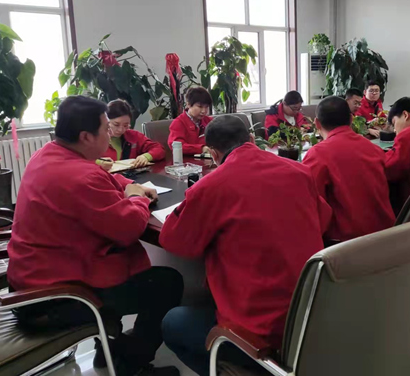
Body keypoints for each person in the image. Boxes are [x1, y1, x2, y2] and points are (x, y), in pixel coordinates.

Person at [7, 96, 183, 376]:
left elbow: (102, 176)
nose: (110, 134)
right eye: (106, 128)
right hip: (57, 297)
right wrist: (137, 199)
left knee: (130, 270)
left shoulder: (49, 154)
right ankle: (131, 364)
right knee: (166, 283)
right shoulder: (80, 177)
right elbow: (128, 229)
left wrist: (128, 186)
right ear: (86, 136)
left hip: (31, 281)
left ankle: (111, 349)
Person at [160, 115, 330, 376]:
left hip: (263, 332)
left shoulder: (212, 186)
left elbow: (174, 240)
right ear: (251, 139)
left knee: (173, 322)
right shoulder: (298, 170)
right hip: (312, 313)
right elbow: (323, 219)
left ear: (213, 153)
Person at [303, 96, 396, 243]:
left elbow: (311, 205)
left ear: (317, 123)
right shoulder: (374, 149)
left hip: (346, 244)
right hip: (387, 235)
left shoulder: (318, 154)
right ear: (351, 119)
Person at [97, 99, 165, 171]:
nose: (121, 130)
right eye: (116, 125)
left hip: (130, 175)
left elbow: (159, 149)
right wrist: (98, 162)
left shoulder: (132, 136)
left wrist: (146, 157)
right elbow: (87, 160)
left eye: (125, 125)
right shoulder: (94, 138)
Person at [168, 87, 213, 155]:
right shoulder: (178, 123)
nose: (203, 111)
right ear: (188, 104)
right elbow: (176, 146)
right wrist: (201, 148)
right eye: (200, 106)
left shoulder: (209, 121)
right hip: (186, 160)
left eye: (206, 107)